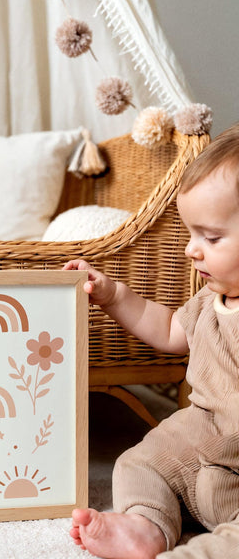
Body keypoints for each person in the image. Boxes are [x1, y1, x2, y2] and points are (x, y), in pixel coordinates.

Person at [64, 123, 239, 559]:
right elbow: (168, 330)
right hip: (199, 438)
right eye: (191, 234)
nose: (191, 250)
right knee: (139, 462)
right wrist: (113, 296)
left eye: (211, 237)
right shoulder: (210, 298)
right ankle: (145, 525)